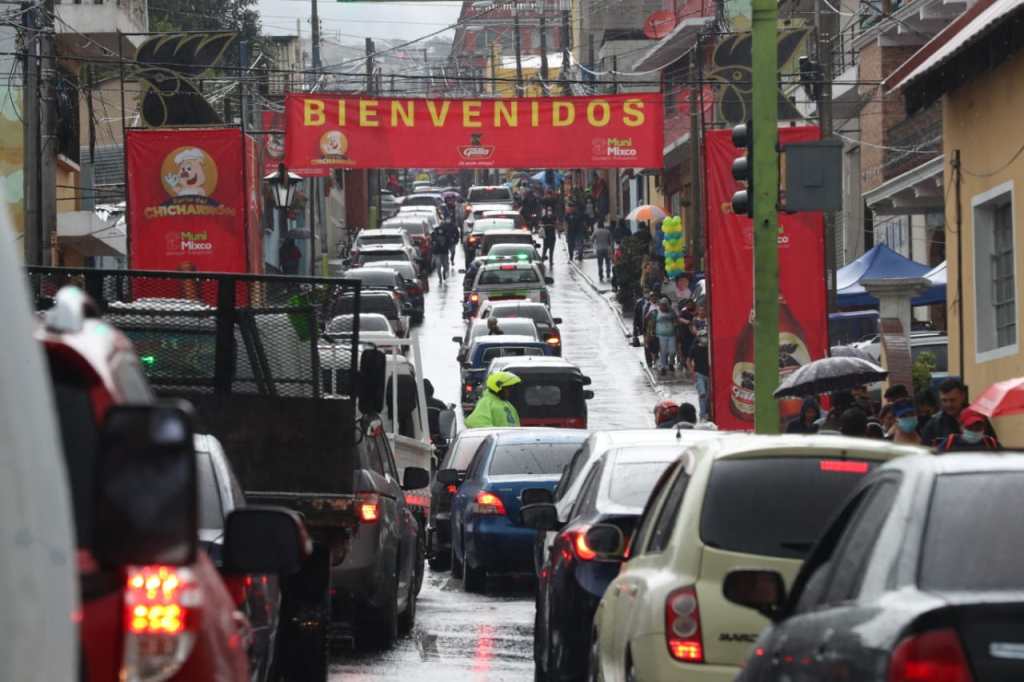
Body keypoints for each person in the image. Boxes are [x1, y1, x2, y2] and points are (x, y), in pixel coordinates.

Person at [921, 378, 968, 446]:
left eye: (952, 400)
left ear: (963, 396)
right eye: (944, 400)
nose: (948, 404)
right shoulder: (933, 425)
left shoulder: (978, 419)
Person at [936, 409, 1002, 452]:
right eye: (969, 427)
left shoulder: (991, 444)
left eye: (978, 427)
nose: (974, 431)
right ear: (961, 426)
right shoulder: (950, 442)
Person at [688, 304, 711, 420]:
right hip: (699, 374)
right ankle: (703, 414)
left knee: (707, 395)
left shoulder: (710, 348)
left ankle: (706, 412)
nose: (704, 338)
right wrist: (692, 372)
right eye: (703, 337)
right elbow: (688, 360)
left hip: (709, 374)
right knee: (702, 394)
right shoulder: (695, 347)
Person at [655, 298, 678, 375]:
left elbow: (676, 321)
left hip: (671, 334)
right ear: (660, 305)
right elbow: (652, 323)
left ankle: (671, 363)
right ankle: (663, 367)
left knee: (672, 351)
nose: (664, 306)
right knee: (663, 352)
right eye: (662, 305)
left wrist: (675, 324)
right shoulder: (656, 312)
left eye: (665, 305)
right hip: (661, 335)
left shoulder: (672, 312)